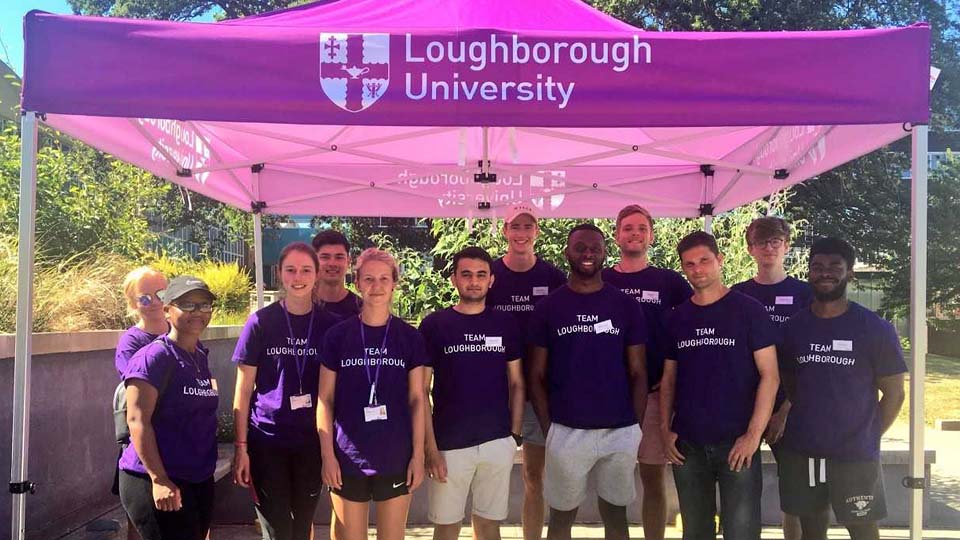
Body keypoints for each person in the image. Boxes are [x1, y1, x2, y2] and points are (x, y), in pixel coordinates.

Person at [777, 237, 906, 540]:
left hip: (854, 453)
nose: (825, 272)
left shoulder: (874, 328)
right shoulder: (794, 328)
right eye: (818, 266)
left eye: (835, 266)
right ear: (808, 272)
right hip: (803, 449)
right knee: (811, 530)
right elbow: (791, 384)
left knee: (863, 531)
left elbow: (895, 393)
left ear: (850, 273)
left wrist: (868, 432)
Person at [529, 223, 648, 540]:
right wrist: (549, 428)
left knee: (616, 516)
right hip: (567, 430)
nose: (587, 254)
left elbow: (638, 371)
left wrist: (635, 426)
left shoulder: (625, 305)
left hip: (619, 429)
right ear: (567, 252)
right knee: (561, 517)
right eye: (580, 247)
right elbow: (536, 375)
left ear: (604, 253)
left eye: (594, 248)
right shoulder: (548, 307)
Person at [660, 231, 779, 540]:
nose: (698, 270)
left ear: (719, 260)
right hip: (688, 444)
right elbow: (669, 378)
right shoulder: (678, 318)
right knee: (696, 532)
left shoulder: (749, 310)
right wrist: (664, 428)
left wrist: (753, 436)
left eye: (704, 261)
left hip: (737, 443)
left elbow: (771, 375)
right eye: (690, 264)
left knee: (741, 532)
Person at [231, 242, 340, 540]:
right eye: (291, 269)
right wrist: (241, 448)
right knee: (278, 528)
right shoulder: (260, 322)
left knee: (303, 525)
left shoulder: (331, 326)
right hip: (267, 440)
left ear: (317, 274)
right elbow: (242, 392)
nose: (298, 276)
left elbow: (333, 393)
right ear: (280, 273)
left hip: (311, 441)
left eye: (306, 269)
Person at [318, 248, 427, 540]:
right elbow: (324, 400)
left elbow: (418, 399)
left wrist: (419, 455)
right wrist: (327, 455)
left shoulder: (410, 337)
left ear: (395, 284)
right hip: (347, 457)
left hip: (396, 456)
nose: (376, 286)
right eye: (368, 278)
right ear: (357, 283)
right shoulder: (338, 336)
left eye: (383, 278)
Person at [419, 246, 526, 540]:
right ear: (454, 278)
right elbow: (420, 391)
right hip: (449, 446)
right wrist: (430, 449)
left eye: (481, 275)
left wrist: (513, 435)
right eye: (466, 274)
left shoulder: (505, 324)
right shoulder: (434, 325)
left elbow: (517, 382)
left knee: (490, 525)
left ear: (491, 280)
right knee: (446, 526)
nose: (474, 281)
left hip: (497, 442)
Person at [602, 205, 692, 540]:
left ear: (651, 235)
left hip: (655, 395)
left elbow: (695, 319)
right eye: (627, 228)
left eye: (641, 228)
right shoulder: (602, 279)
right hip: (611, 400)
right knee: (612, 482)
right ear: (617, 236)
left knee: (653, 479)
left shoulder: (669, 282)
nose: (634, 234)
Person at [485, 203, 566, 540]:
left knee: (535, 477)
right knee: (489, 479)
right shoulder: (486, 273)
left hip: (538, 393)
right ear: (505, 231)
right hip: (493, 391)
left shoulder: (552, 277)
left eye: (527, 226)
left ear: (537, 231)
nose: (521, 233)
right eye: (514, 226)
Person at [119, 276, 220, 540]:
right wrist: (159, 479)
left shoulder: (198, 355)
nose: (197, 312)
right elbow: (138, 420)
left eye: (204, 305)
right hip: (158, 479)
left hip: (197, 478)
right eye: (187, 304)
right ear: (167, 309)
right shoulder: (154, 357)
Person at [731, 217, 813, 540]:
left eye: (775, 241)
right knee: (740, 492)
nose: (769, 247)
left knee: (794, 495)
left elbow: (811, 359)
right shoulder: (737, 295)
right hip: (744, 406)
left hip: (791, 408)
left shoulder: (804, 294)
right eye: (761, 242)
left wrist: (784, 410)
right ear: (750, 249)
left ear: (787, 246)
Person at [114, 266, 169, 540]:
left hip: (180, 443)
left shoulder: (180, 330)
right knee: (143, 523)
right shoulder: (131, 342)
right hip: (144, 446)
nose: (156, 302)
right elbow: (139, 393)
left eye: (161, 293)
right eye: (145, 298)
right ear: (133, 304)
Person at [312, 229, 361, 318]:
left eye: (339, 257)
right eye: (325, 257)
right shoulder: (301, 307)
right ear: (314, 261)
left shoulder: (362, 310)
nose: (332, 263)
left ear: (348, 261)